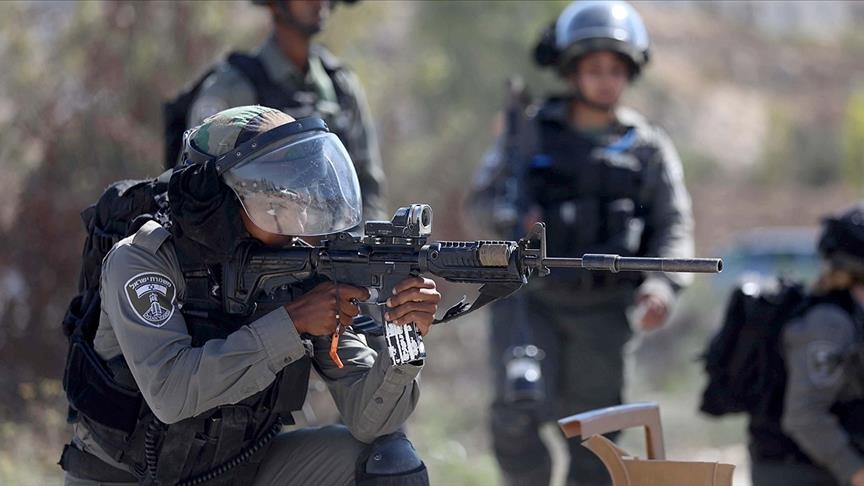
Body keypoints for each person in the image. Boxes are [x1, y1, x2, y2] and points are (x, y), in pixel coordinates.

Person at [59, 106, 438, 486]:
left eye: (298, 199)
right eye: (276, 204)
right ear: (221, 200)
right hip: (125, 478)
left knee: (390, 463)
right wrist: (293, 323)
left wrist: (403, 338)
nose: (298, 220)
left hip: (238, 468)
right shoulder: (142, 260)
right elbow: (171, 394)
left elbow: (371, 421)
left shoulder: (298, 267)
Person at [468, 1, 694, 484]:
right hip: (529, 305)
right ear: (572, 72)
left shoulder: (646, 146)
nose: (605, 81)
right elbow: (478, 204)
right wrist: (509, 218)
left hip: (604, 315)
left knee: (599, 439)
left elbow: (673, 224)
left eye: (615, 70)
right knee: (514, 417)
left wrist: (662, 285)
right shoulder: (528, 133)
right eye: (593, 69)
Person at [184, 0, 386, 223]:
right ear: (275, 4)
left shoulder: (341, 85)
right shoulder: (234, 87)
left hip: (338, 238)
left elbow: (368, 185)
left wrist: (365, 237)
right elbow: (197, 187)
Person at [749, 203, 864, 486]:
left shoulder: (851, 316)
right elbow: (805, 416)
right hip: (798, 471)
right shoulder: (828, 323)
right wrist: (855, 471)